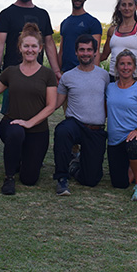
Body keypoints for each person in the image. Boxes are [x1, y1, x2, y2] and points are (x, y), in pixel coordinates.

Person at [0, 23, 58, 195]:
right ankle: (8, 178)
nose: (30, 50)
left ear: (40, 48)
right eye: (26, 46)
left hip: (37, 130)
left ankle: (21, 157)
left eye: (34, 46)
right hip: (11, 124)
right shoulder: (10, 72)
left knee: (29, 179)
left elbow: (51, 105)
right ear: (20, 48)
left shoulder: (47, 74)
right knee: (16, 132)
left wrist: (29, 123)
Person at [0, 0, 62, 116]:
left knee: (36, 113)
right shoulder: (6, 14)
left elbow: (49, 44)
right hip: (12, 77)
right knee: (11, 117)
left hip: (37, 76)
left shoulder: (42, 14)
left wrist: (55, 71)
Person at [52, 34, 109, 196]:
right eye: (82, 50)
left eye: (89, 50)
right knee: (62, 130)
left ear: (95, 52)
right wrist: (36, 114)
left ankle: (75, 167)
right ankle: (62, 178)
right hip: (75, 124)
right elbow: (57, 103)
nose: (85, 53)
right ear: (76, 52)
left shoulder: (103, 76)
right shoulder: (68, 77)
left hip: (95, 128)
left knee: (91, 180)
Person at [106, 49, 137, 201]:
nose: (125, 67)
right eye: (122, 64)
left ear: (134, 67)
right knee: (120, 184)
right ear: (117, 67)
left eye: (129, 64)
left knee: (134, 147)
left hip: (136, 136)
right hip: (115, 140)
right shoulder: (110, 87)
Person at [101, 0, 137, 83]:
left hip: (134, 79)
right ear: (119, 7)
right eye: (123, 5)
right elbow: (104, 55)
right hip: (113, 79)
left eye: (130, 5)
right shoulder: (112, 31)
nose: (127, 8)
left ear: (136, 7)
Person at [58, 0, 102, 73]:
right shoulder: (64, 23)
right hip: (66, 73)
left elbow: (96, 52)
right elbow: (61, 51)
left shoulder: (93, 22)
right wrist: (58, 72)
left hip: (84, 73)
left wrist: (94, 74)